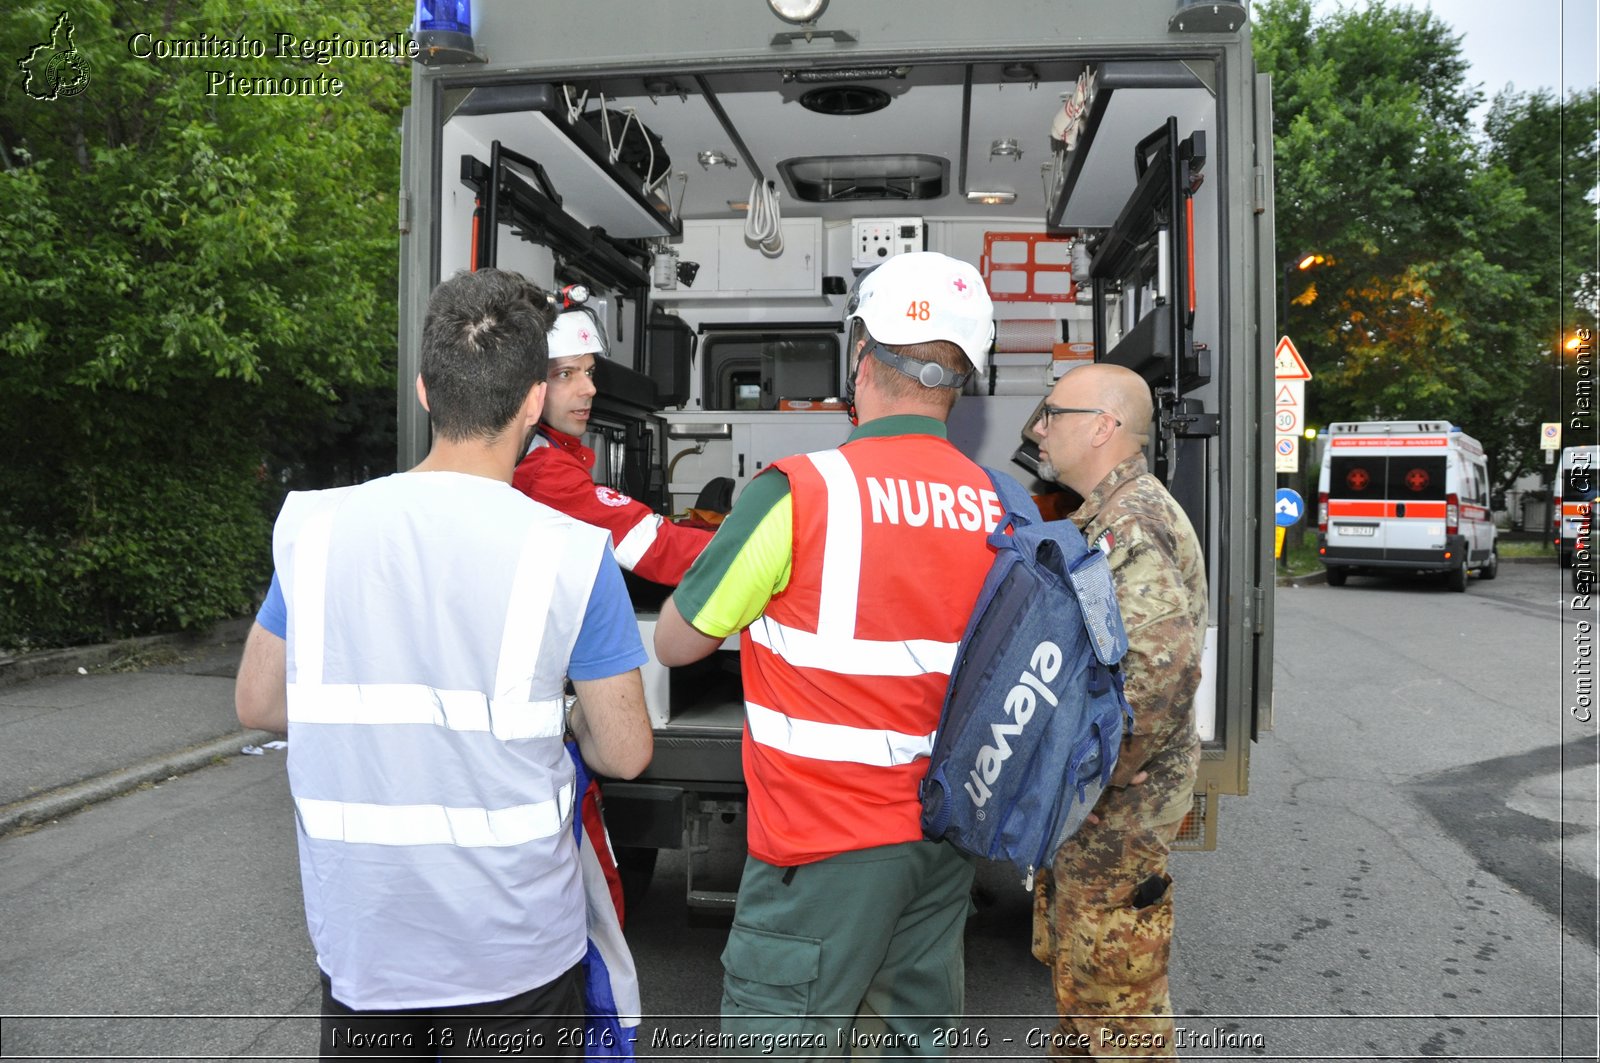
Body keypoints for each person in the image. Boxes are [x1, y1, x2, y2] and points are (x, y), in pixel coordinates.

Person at [235, 268, 653, 1060]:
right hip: (515, 949)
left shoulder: (318, 529)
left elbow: (259, 700)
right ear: (535, 402)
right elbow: (625, 750)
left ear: (426, 391)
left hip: (366, 943)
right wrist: (563, 717)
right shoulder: (571, 554)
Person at [653, 251, 1002, 1052]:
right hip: (942, 842)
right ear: (962, 379)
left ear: (861, 356)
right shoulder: (1000, 505)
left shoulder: (800, 490)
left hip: (820, 849)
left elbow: (678, 641)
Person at [1026, 362, 1207, 1058]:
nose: (1040, 429)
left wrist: (1109, 767)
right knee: (1086, 996)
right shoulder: (1111, 511)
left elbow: (1163, 668)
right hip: (1102, 816)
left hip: (1116, 815)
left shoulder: (1128, 520)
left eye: (1053, 413)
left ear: (1103, 426)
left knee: (1118, 1016)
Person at [513, 309, 712, 585]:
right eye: (566, 374)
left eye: (589, 372)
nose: (589, 389)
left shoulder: (544, 449)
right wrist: (747, 551)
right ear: (529, 387)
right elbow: (651, 545)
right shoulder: (543, 469)